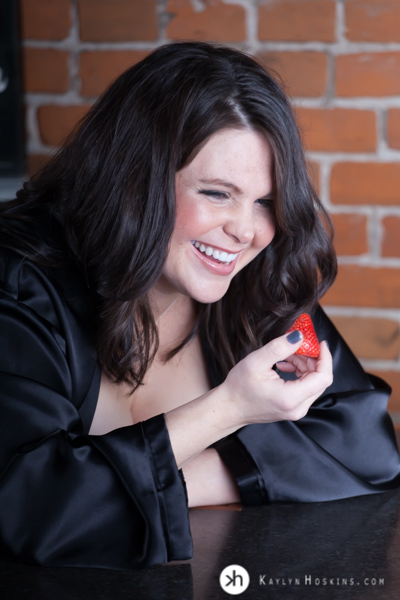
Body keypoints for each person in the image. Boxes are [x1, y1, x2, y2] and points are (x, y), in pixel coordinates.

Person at [0, 41, 399, 571]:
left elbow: (367, 444)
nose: (246, 230)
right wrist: (228, 409)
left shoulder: (258, 284)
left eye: (265, 202)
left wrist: (176, 483)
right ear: (133, 181)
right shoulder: (20, 280)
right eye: (216, 193)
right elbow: (31, 508)